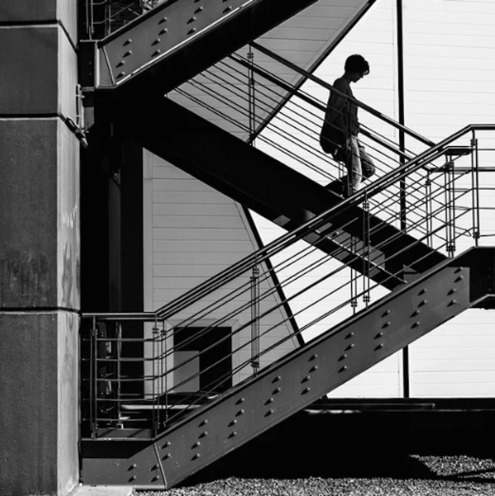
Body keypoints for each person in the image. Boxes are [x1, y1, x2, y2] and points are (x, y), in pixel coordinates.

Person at [320, 54, 375, 197]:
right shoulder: (341, 84)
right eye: (361, 73)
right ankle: (348, 203)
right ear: (354, 70)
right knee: (356, 174)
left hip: (352, 136)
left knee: (368, 168)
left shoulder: (345, 86)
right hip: (346, 136)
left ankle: (331, 192)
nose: (361, 77)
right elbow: (333, 111)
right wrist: (338, 140)